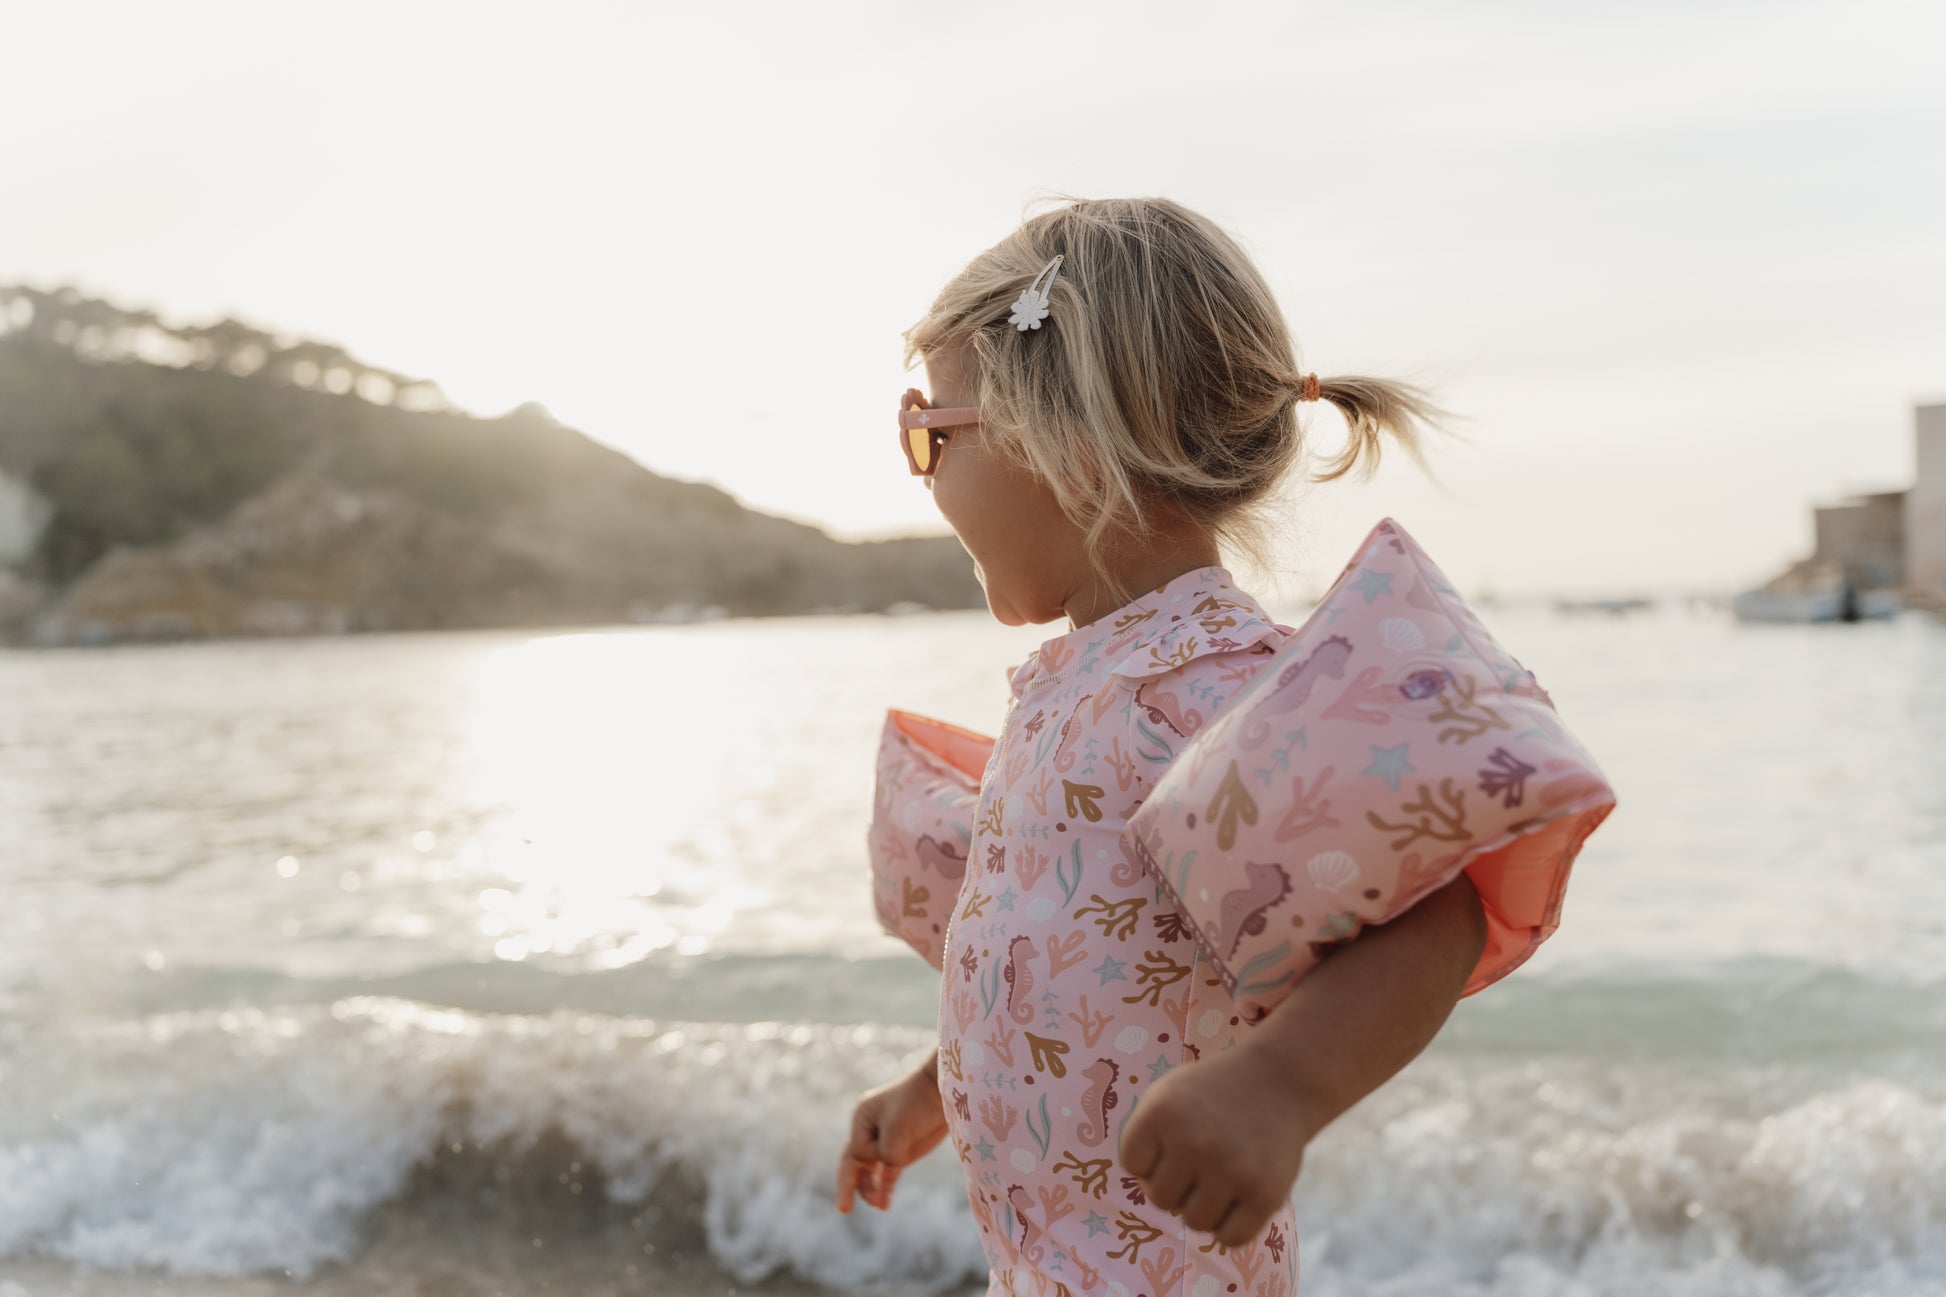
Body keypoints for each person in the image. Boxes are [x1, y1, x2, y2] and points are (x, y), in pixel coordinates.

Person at [837, 196, 1491, 1297]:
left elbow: (1434, 913)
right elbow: (1076, 969)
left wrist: (1279, 1087)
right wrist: (934, 1085)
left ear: (1063, 441)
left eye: (929, 434)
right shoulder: (1088, 681)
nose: (924, 473)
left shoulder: (1213, 685)